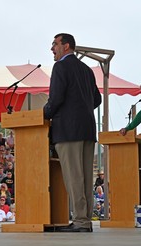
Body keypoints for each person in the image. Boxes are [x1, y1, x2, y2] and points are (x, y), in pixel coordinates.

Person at [43, 33, 101, 232]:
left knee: (74, 177)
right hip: (87, 129)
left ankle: (80, 221)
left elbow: (56, 98)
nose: (52, 48)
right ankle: (84, 220)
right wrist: (80, 108)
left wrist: (44, 113)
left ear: (66, 46)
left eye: (55, 44)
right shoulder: (86, 70)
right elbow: (97, 100)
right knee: (85, 177)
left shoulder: (60, 66)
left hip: (68, 131)